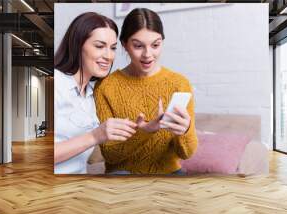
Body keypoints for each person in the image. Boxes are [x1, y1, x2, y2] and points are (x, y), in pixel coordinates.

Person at [94, 8, 198, 175]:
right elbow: (110, 155)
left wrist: (185, 131)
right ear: (124, 45)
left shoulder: (179, 84)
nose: (148, 54)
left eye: (155, 45)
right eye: (138, 46)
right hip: (124, 174)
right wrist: (144, 131)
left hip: (169, 173)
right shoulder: (106, 87)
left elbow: (187, 154)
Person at [54, 12, 137, 174]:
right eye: (99, 46)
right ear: (77, 45)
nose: (108, 56)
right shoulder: (54, 83)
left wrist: (144, 128)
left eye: (112, 48)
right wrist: (94, 136)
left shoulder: (92, 93)